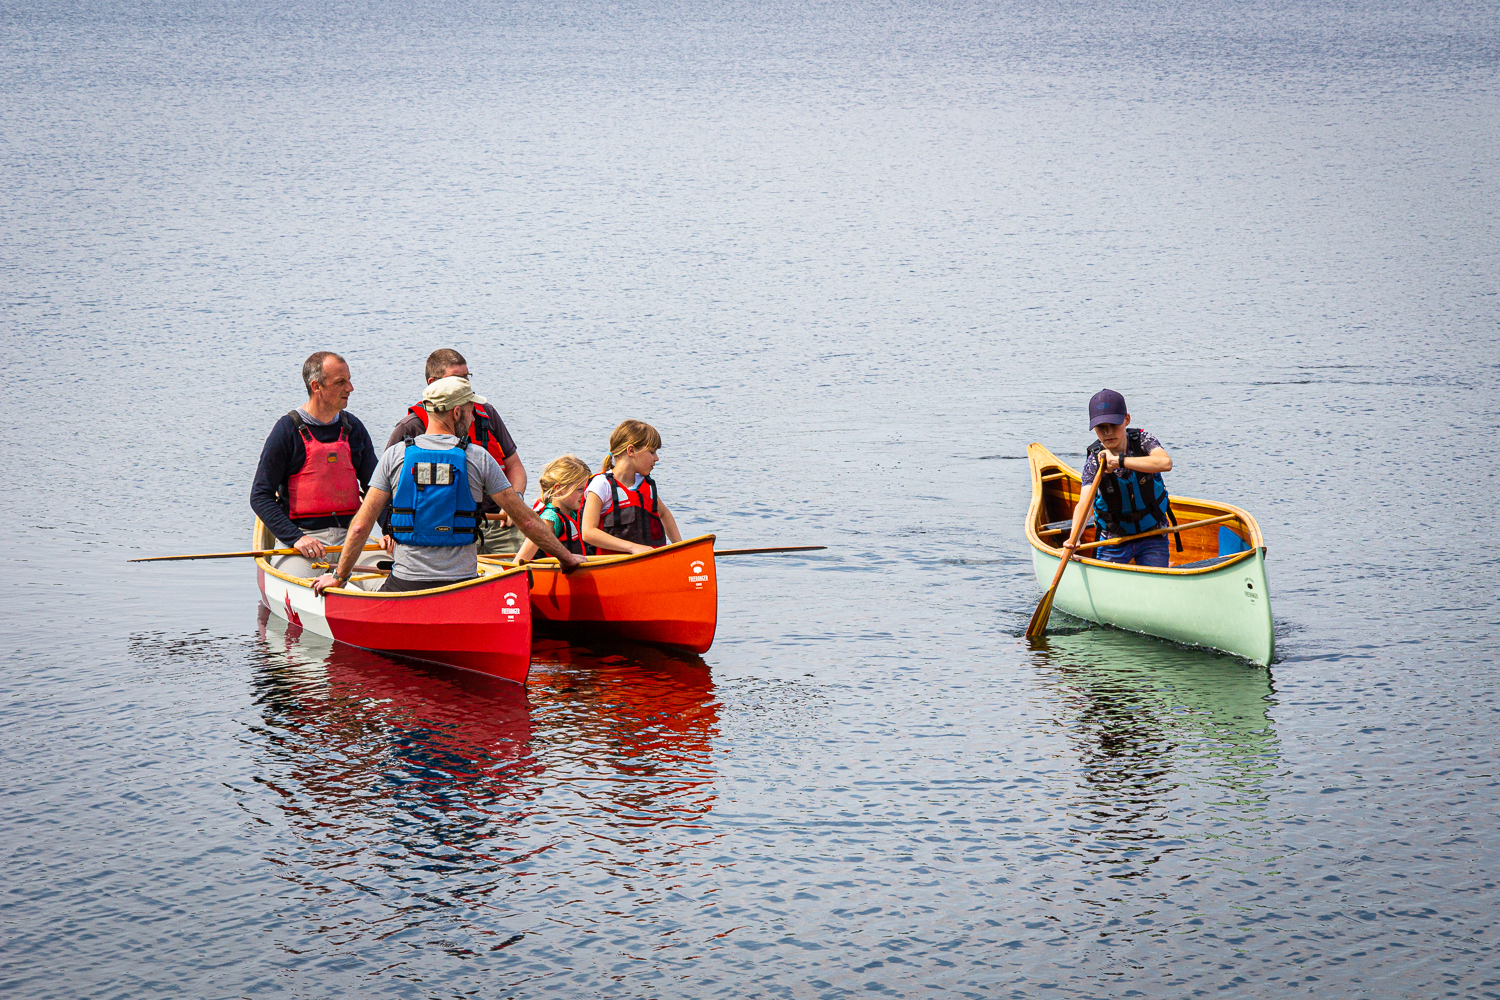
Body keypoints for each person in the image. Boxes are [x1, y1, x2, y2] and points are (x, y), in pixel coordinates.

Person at [314, 377, 584, 595]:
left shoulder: (395, 455)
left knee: (365, 585)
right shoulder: (478, 458)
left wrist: (339, 577)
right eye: (470, 410)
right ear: (456, 412)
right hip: (462, 585)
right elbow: (527, 521)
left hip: (407, 584)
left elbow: (361, 525)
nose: (473, 416)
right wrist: (567, 559)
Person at [250, 351, 380, 578]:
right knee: (311, 589)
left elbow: (377, 488)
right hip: (302, 542)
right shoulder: (286, 430)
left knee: (387, 579)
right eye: (341, 382)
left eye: (349, 380)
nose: (350, 388)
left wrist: (391, 530)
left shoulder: (354, 428)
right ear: (316, 386)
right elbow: (260, 496)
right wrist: (296, 538)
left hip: (353, 540)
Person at [387, 349, 528, 556]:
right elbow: (384, 490)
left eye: (467, 377)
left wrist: (515, 501)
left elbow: (515, 466)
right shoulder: (410, 428)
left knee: (537, 545)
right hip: (442, 528)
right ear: (433, 383)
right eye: (457, 378)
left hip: (498, 522)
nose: (466, 384)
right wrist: (388, 528)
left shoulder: (485, 414)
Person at [1063, 389, 1176, 568]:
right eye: (1101, 427)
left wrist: (1120, 461)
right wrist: (1074, 538)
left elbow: (1165, 463)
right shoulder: (1094, 461)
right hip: (1114, 539)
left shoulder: (1144, 441)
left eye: (1114, 425)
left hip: (1153, 533)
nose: (1108, 432)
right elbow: (1084, 503)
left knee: (1156, 577)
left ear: (1126, 420)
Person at [580, 420, 683, 555]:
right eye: (652, 452)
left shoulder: (646, 486)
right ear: (631, 450)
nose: (656, 458)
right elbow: (588, 532)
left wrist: (681, 549)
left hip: (649, 563)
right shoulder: (602, 485)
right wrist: (632, 548)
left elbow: (664, 514)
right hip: (615, 566)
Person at [514, 455, 592, 564]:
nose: (585, 494)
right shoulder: (549, 519)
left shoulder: (573, 513)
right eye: (580, 489)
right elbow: (519, 561)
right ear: (559, 489)